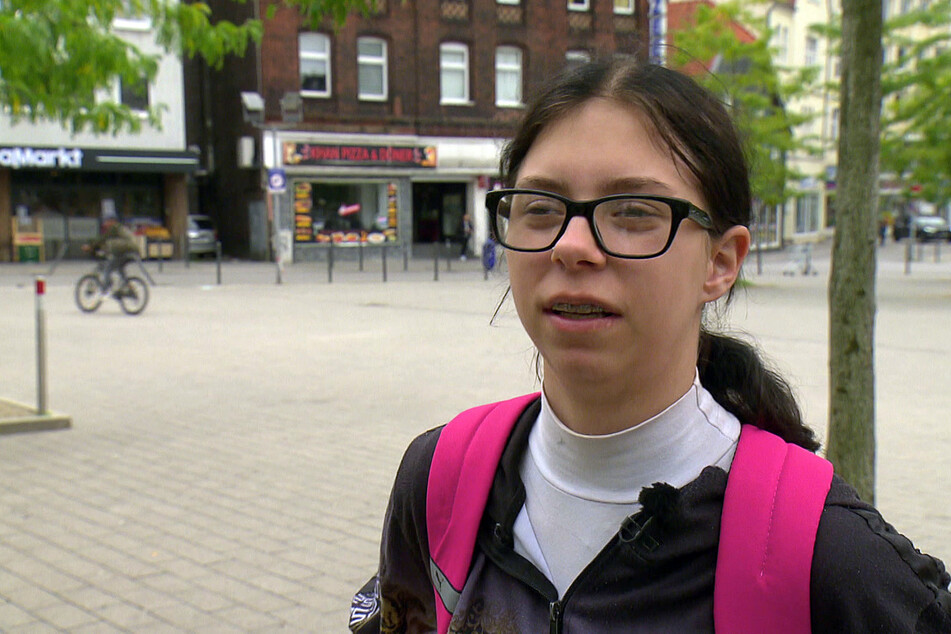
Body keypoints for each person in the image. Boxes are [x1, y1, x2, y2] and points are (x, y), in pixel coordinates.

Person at [367, 59, 951, 632]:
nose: (571, 246)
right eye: (541, 209)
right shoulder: (440, 479)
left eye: (633, 212)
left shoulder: (828, 556)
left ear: (721, 262)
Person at [83, 218, 140, 293]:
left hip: (127, 251)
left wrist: (91, 246)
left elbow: (104, 238)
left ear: (112, 221)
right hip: (131, 252)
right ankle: (129, 288)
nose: (104, 224)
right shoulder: (121, 229)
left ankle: (106, 288)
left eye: (106, 222)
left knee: (108, 268)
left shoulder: (115, 228)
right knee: (119, 268)